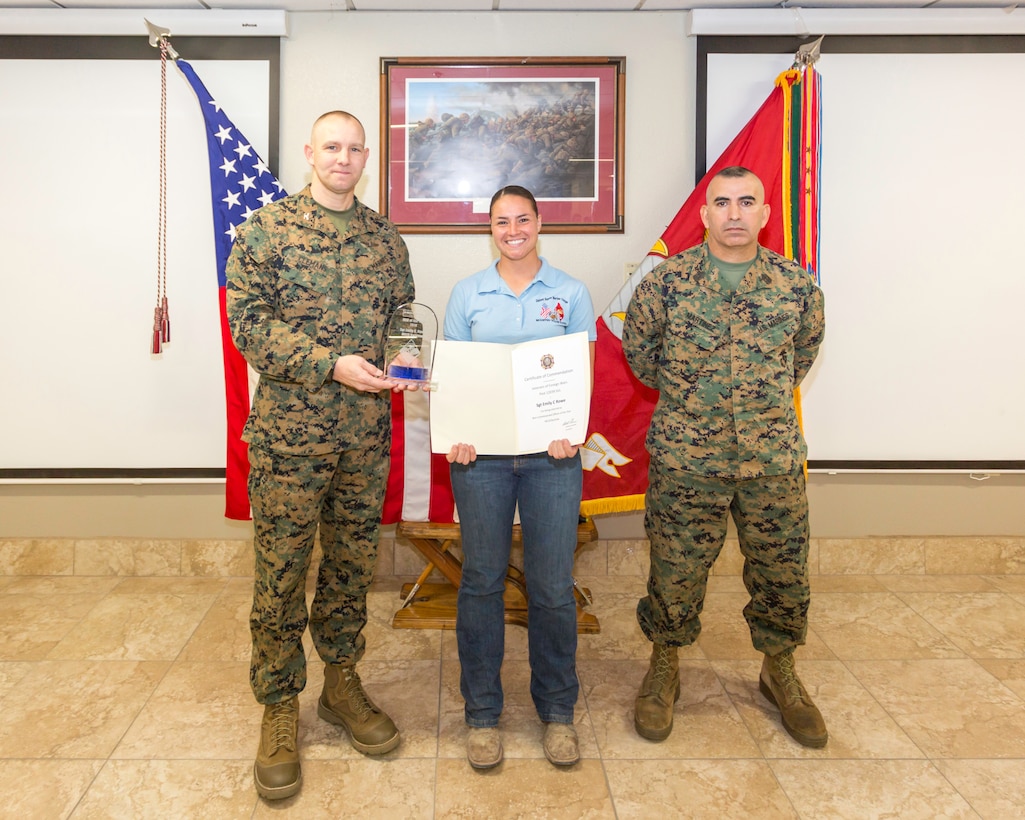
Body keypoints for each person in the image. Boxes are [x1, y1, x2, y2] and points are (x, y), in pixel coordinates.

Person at [226, 110, 419, 801]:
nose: (343, 157)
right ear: (309, 153)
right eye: (330, 146)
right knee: (280, 573)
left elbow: (403, 315)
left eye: (353, 148)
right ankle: (279, 705)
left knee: (349, 566)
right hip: (288, 438)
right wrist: (327, 363)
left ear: (367, 156)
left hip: (364, 435)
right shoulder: (267, 232)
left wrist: (403, 357)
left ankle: (341, 683)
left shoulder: (383, 238)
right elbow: (247, 324)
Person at [622, 166, 828, 748]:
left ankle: (779, 670)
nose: (734, 213)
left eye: (747, 202)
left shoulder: (797, 287)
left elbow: (801, 354)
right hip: (689, 460)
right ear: (705, 214)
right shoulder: (665, 284)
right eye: (722, 203)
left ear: (766, 213)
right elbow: (641, 357)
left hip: (772, 462)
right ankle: (664, 668)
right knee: (675, 572)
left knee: (783, 573)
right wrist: (696, 398)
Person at [443, 185, 596, 770]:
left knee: (552, 586)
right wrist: (456, 430)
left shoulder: (570, 294)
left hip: (551, 459)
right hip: (479, 460)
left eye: (523, 219)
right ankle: (481, 713)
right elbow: (455, 377)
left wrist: (569, 428)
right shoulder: (467, 294)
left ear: (539, 223)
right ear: (491, 228)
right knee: (481, 580)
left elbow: (579, 377)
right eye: (501, 221)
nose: (513, 230)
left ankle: (557, 711)